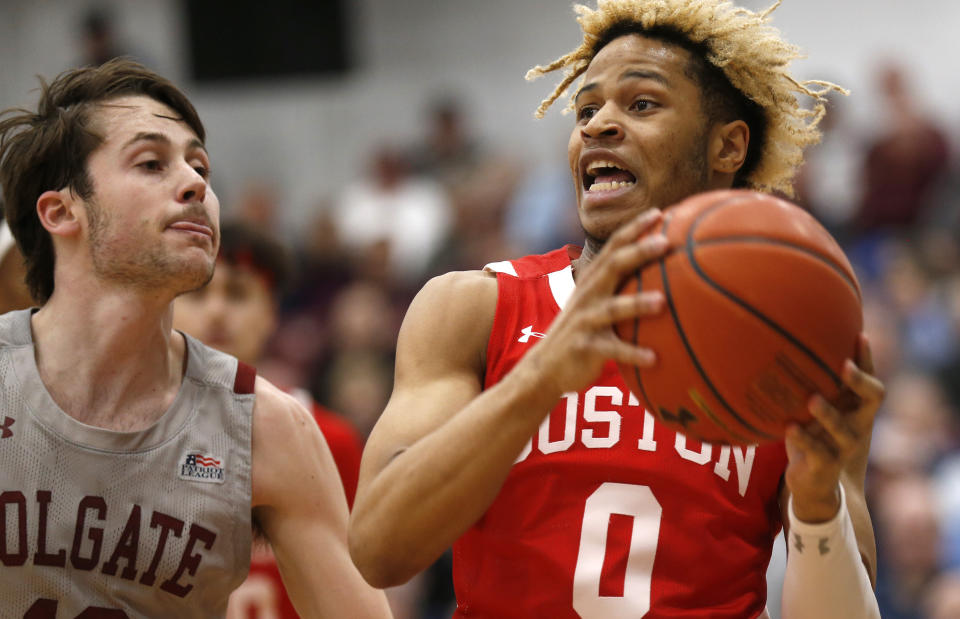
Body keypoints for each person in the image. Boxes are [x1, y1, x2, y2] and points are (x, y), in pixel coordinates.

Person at [349, 1, 884, 617]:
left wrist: (819, 504)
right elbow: (377, 549)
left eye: (641, 105)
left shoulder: (787, 343)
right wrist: (540, 380)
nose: (598, 125)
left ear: (728, 146)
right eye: (586, 109)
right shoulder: (474, 307)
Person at [0, 58, 391, 618]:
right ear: (62, 211)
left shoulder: (269, 427)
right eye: (152, 162)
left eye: (199, 166)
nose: (196, 184)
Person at [173, 219, 366, 618]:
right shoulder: (132, 427)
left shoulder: (331, 439)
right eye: (198, 294)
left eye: (238, 294)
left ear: (271, 311)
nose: (217, 311)